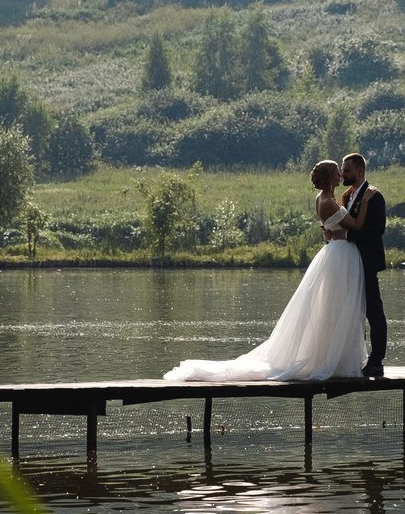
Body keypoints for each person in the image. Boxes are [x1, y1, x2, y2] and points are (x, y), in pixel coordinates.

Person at [163, 161, 369, 382]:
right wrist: (365, 200)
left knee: (332, 307)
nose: (341, 175)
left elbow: (332, 227)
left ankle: (332, 356)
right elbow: (356, 225)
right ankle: (329, 358)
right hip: (338, 256)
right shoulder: (328, 201)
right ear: (330, 179)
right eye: (337, 172)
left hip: (335, 253)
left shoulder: (324, 198)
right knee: (334, 305)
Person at [337, 153, 389, 379]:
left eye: (346, 170)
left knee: (373, 310)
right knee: (353, 311)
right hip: (350, 262)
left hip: (366, 261)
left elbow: (377, 230)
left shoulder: (374, 196)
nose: (342, 174)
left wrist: (347, 234)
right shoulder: (347, 195)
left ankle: (376, 360)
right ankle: (356, 357)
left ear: (359, 171)